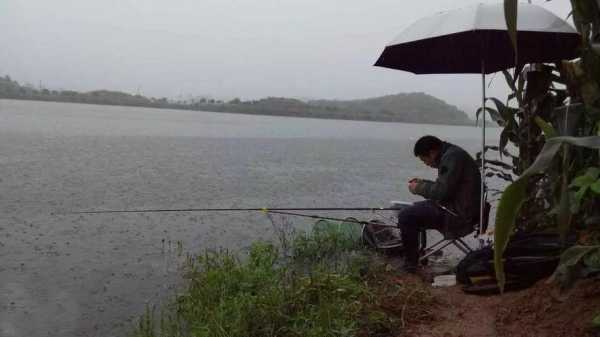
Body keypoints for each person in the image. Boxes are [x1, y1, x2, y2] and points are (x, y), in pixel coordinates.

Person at [399, 135, 481, 272]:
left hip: (458, 215)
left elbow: (441, 193)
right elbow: (447, 187)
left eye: (423, 159)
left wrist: (418, 188)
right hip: (459, 207)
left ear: (432, 152)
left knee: (406, 216)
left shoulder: (452, 157)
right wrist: (423, 183)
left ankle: (411, 264)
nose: (425, 163)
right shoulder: (452, 154)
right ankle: (419, 255)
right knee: (414, 209)